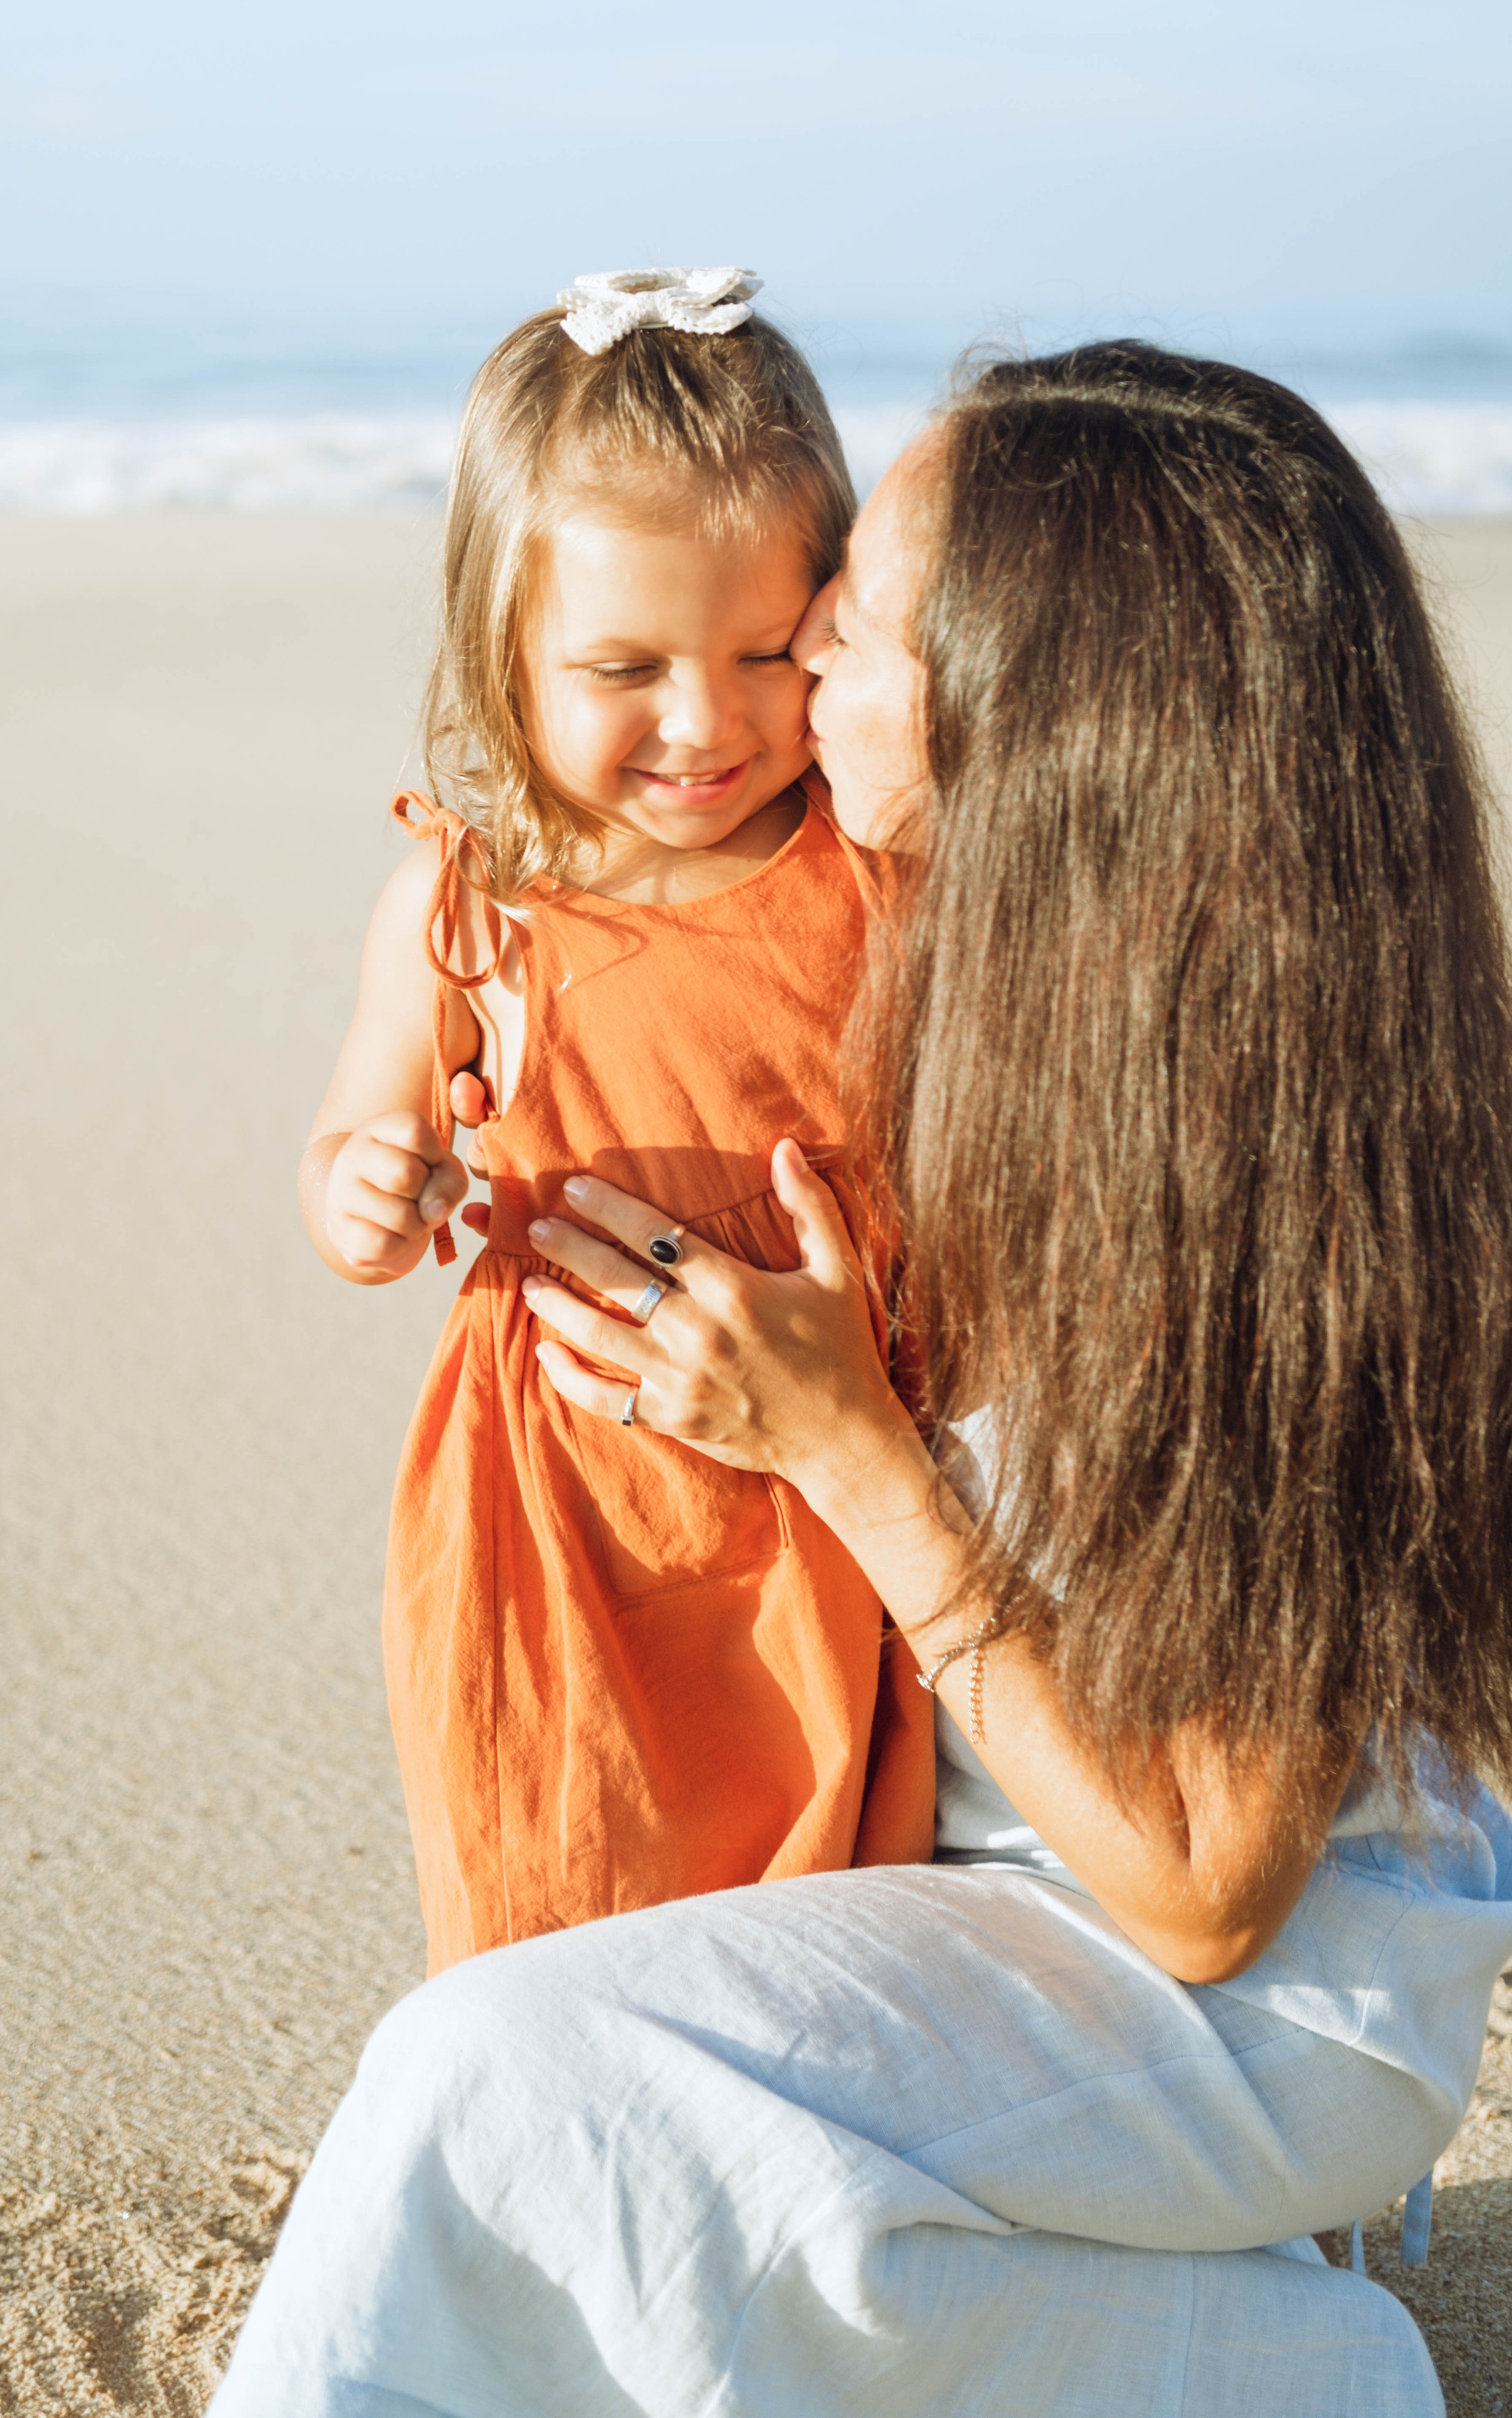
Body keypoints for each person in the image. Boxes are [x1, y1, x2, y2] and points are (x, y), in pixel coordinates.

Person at [215, 341, 1512, 2414]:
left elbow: (1205, 1892)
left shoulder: (1257, 1151)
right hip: (982, 1883)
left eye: (859, 615)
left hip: (1253, 1995)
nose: (800, 650)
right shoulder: (986, 979)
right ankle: (1278, 2366)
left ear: (1040, 712)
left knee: (495, 2080)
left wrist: (852, 1454)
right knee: (634, 2155)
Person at [296, 268, 931, 1977]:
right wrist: (365, 1188)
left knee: (829, 1916)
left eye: (764, 653)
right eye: (625, 667)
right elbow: (357, 1135)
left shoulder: (868, 876)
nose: (707, 722)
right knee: (564, 1893)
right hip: (564, 1505)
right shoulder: (465, 904)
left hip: (832, 1469)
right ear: (506, 647)